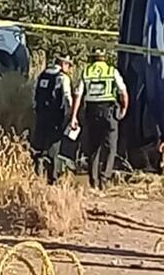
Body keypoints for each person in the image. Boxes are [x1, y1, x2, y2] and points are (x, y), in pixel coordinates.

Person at [70, 49, 129, 189]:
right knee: (111, 147)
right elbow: (123, 92)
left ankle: (94, 180)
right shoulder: (111, 71)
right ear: (104, 58)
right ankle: (105, 178)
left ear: (93, 58)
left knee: (93, 147)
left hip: (91, 111)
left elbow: (78, 95)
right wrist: (124, 108)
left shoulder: (87, 71)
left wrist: (74, 116)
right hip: (109, 112)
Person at [31, 55, 74, 184]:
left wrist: (35, 109)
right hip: (55, 117)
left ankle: (37, 174)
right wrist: (70, 114)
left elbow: (34, 93)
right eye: (68, 64)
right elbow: (67, 97)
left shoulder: (42, 74)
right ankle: (52, 177)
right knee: (54, 146)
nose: (69, 67)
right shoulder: (62, 77)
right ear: (63, 63)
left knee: (39, 145)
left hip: (41, 115)